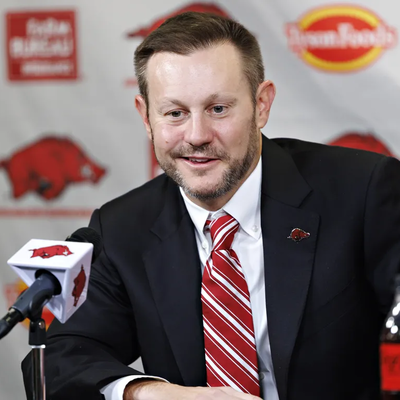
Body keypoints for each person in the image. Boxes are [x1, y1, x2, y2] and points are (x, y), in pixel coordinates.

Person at [22, 11, 400, 400]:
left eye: (218, 109)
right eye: (175, 113)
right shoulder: (121, 229)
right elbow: (60, 359)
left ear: (262, 104)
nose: (197, 136)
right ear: (146, 117)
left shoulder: (364, 191)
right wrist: (152, 394)